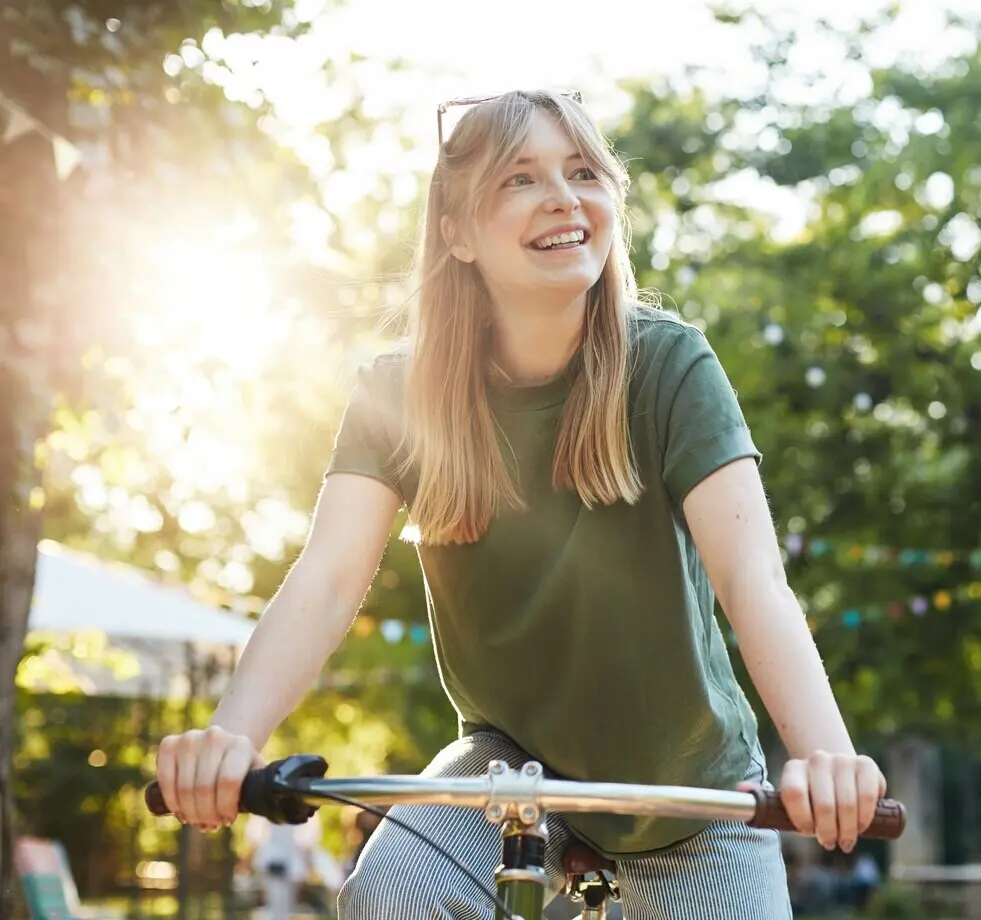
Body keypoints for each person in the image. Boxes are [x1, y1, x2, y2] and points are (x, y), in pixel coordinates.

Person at [151, 89, 886, 919]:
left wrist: (826, 755)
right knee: (393, 895)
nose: (565, 196)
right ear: (457, 233)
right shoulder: (397, 393)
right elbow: (325, 581)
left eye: (583, 172)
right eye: (520, 179)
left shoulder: (670, 368)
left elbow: (752, 579)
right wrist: (231, 740)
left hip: (684, 774)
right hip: (508, 766)